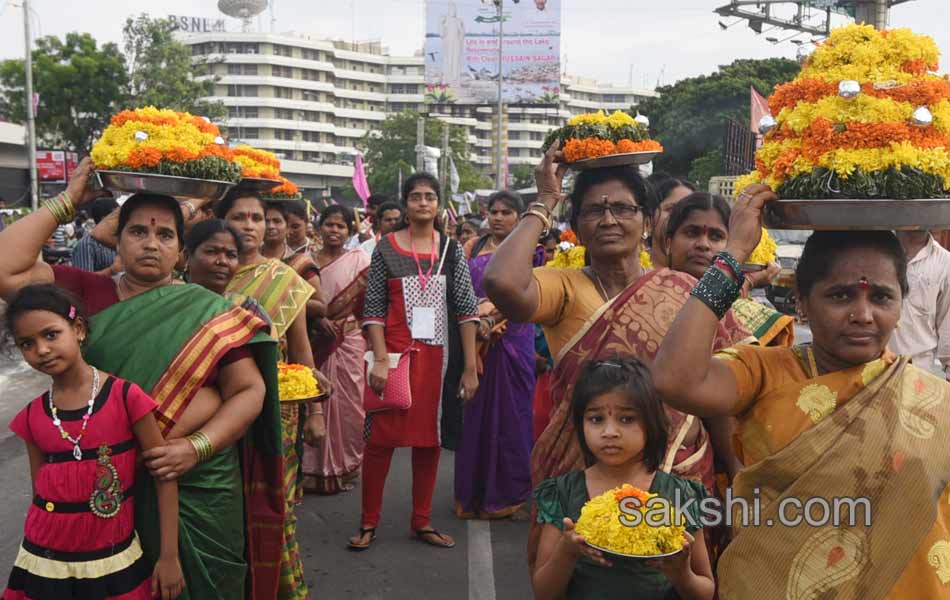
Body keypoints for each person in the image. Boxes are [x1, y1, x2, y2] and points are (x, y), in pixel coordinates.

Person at [0, 160, 283, 600]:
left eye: (165, 234)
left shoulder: (209, 310)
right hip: (110, 481)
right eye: (138, 232)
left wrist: (196, 447)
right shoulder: (85, 293)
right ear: (119, 238)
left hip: (199, 481)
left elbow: (249, 390)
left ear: (181, 252)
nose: (151, 243)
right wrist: (67, 202)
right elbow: (5, 269)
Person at [651, 184, 950, 599]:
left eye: (881, 297)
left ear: (901, 304)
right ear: (802, 304)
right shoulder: (765, 370)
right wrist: (733, 253)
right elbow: (673, 380)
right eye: (840, 295)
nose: (862, 315)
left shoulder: (935, 402)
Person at [482, 142, 750, 567]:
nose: (609, 219)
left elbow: (715, 391)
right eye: (593, 211)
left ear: (646, 222)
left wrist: (736, 473)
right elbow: (501, 283)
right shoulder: (565, 288)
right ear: (577, 225)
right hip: (586, 477)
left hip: (677, 476)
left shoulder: (683, 291)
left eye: (623, 209)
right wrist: (545, 201)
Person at [3, 284, 185, 600]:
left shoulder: (126, 398)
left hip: (113, 558)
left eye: (50, 334)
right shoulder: (33, 416)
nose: (41, 350)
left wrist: (170, 556)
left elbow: (164, 476)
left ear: (78, 329)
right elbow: (40, 493)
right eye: (26, 344)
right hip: (45, 563)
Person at [349, 172, 480, 551]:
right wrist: (379, 359)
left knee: (430, 441)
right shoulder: (386, 247)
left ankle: (421, 522)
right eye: (416, 197)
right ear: (405, 204)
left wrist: (470, 368)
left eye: (429, 197)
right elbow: (372, 309)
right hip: (393, 356)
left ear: (438, 204)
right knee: (380, 441)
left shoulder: (451, 250)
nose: (423, 203)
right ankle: (368, 522)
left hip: (438, 360)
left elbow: (467, 311)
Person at [532, 357, 714, 600]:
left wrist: (681, 574)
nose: (609, 432)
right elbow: (543, 593)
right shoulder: (564, 493)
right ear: (580, 423)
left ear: (652, 423)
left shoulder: (680, 496)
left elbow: (705, 591)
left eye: (626, 419)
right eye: (596, 419)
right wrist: (566, 553)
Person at [216, 190, 319, 600]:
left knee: (273, 511)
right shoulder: (203, 274)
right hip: (217, 407)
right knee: (227, 509)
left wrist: (316, 415)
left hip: (277, 410)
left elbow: (301, 351)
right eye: (238, 217)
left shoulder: (283, 279)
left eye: (257, 218)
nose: (249, 225)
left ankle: (282, 590)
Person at [455, 191, 539, 519]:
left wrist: (494, 318)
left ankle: (507, 493)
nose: (499, 217)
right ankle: (472, 492)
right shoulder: (471, 247)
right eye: (494, 211)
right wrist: (476, 321)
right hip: (473, 337)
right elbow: (460, 292)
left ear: (519, 217)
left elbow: (530, 293)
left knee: (511, 416)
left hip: (513, 338)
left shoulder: (529, 250)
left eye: (506, 212)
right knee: (474, 418)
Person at [663, 193, 794, 348]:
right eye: (692, 232)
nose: (703, 244)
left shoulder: (752, 315)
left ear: (730, 244)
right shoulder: (646, 296)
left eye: (716, 236)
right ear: (668, 243)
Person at [303, 204, 372, 494]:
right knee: (314, 398)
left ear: (349, 231)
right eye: (329, 224)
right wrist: (319, 319)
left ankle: (345, 467)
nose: (334, 230)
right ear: (319, 228)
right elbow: (298, 301)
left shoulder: (359, 260)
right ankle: (310, 470)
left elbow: (369, 302)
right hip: (314, 339)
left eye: (340, 226)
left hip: (350, 340)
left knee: (349, 404)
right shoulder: (305, 263)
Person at [889, 230, 950, 379]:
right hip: (873, 367)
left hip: (919, 372)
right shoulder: (876, 250)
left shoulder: (944, 262)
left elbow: (947, 322)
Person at [262, 200, 326, 319]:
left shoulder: (302, 264)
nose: (270, 226)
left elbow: (320, 307)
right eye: (266, 221)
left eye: (277, 221)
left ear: (287, 227)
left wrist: (281, 300)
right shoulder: (247, 259)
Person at [71, 197, 119, 274]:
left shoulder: (119, 241)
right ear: (105, 219)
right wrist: (111, 270)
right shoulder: (87, 245)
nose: (122, 219)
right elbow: (83, 280)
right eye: (117, 217)